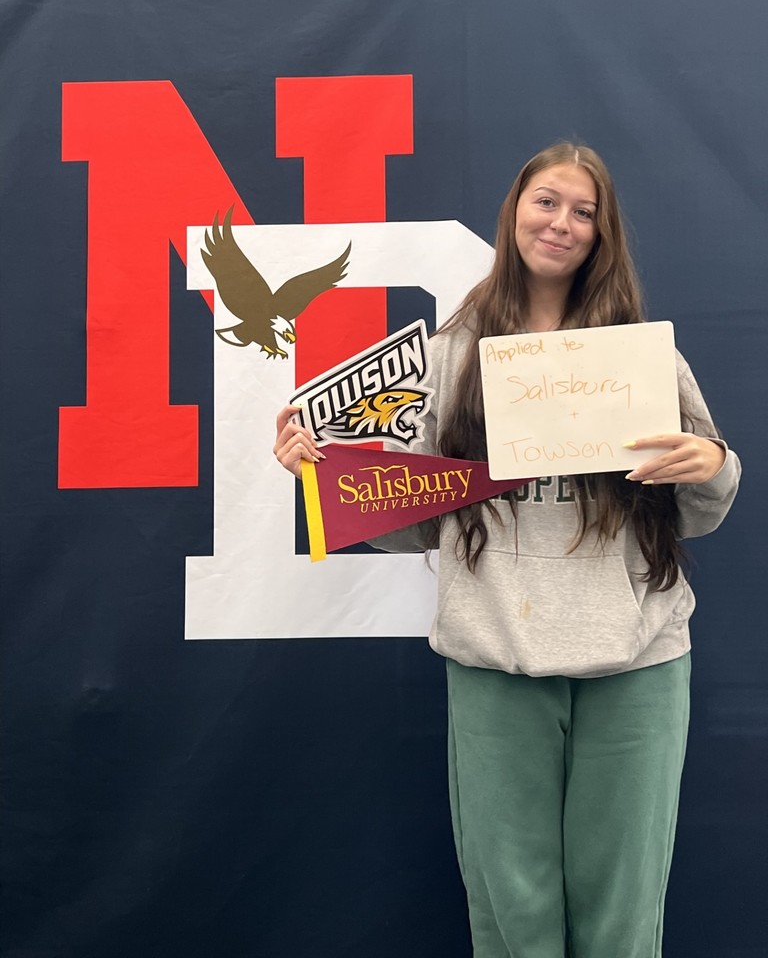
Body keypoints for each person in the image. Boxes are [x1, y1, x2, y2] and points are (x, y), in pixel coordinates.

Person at [273, 143, 741, 958]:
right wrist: (325, 478)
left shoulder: (641, 353)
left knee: (623, 915)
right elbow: (418, 520)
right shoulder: (453, 351)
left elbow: (698, 507)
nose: (562, 222)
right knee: (509, 911)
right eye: (547, 201)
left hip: (638, 659)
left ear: (604, 234)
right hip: (495, 655)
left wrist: (716, 465)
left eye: (583, 211)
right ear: (514, 210)